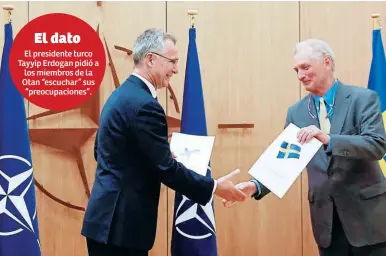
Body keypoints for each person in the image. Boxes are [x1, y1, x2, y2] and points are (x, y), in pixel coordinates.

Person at [81, 28, 247, 256]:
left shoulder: (120, 95)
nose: (176, 69)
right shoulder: (145, 105)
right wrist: (216, 187)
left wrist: (154, 154)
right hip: (121, 228)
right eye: (173, 61)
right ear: (151, 59)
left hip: (106, 224)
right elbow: (166, 169)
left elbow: (103, 151)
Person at [224, 39, 386, 256]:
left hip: (368, 220)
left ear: (327, 62)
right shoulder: (296, 112)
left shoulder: (363, 99)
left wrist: (328, 139)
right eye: (296, 70)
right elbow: (285, 161)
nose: (300, 75)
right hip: (326, 222)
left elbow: (376, 145)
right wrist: (255, 186)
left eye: (305, 67)